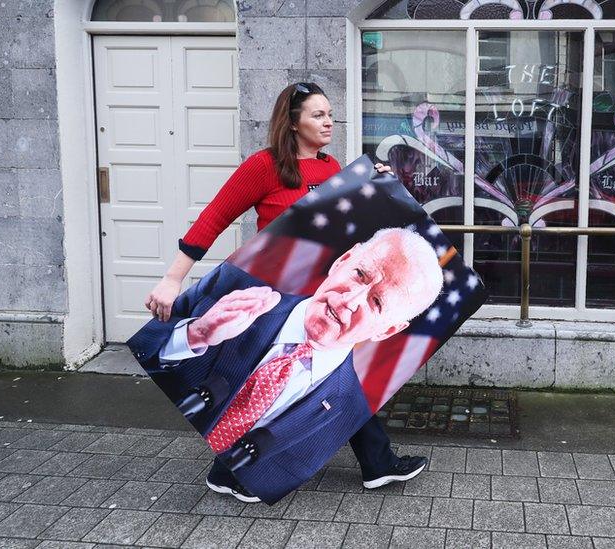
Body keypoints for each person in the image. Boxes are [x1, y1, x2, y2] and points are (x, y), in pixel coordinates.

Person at [142, 82, 428, 500]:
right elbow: (215, 217)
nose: (328, 121)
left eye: (330, 113)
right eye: (317, 114)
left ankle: (377, 463)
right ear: (292, 122)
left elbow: (362, 234)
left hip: (329, 304)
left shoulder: (333, 169)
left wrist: (379, 184)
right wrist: (173, 278)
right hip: (268, 303)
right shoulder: (265, 166)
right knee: (259, 378)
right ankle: (229, 468)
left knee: (333, 377)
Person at [131, 228, 443, 503]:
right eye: (360, 274)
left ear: (387, 330)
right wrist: (195, 333)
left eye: (376, 302)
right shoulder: (232, 287)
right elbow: (146, 345)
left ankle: (234, 472)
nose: (349, 300)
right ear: (343, 260)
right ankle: (228, 470)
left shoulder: (350, 404)